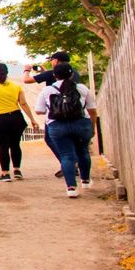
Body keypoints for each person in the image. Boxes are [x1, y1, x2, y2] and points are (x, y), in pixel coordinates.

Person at [34, 63, 98, 198]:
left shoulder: (48, 90)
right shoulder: (81, 88)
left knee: (66, 156)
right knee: (83, 151)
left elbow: (39, 110)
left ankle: (71, 188)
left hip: (57, 127)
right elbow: (92, 109)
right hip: (81, 124)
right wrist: (92, 126)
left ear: (54, 76)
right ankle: (85, 180)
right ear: (72, 74)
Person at [23, 51, 80, 178]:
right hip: (73, 111)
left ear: (56, 60)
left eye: (52, 60)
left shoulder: (50, 74)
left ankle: (68, 163)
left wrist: (26, 70)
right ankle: (71, 163)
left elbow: (26, 80)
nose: (51, 62)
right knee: (71, 139)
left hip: (55, 113)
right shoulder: (75, 73)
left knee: (49, 138)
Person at [0, 63, 39, 182]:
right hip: (15, 118)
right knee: (15, 145)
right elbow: (23, 103)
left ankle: (5, 173)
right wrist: (32, 119)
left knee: (3, 147)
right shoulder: (16, 86)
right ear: (7, 73)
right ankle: (17, 170)